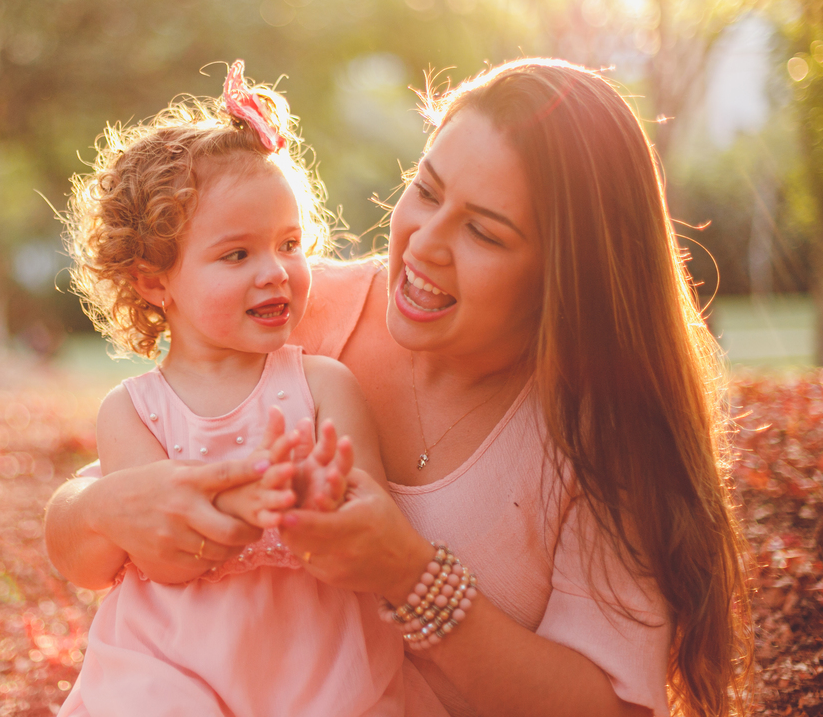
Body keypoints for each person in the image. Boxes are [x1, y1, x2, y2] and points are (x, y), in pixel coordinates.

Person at [45, 59, 752, 717]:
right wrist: (107, 506)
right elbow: (102, 508)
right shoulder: (295, 315)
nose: (423, 242)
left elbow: (612, 707)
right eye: (427, 190)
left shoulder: (601, 436)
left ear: (564, 274)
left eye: (484, 231)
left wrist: (411, 575)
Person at [54, 61, 405, 717]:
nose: (275, 272)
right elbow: (169, 557)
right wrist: (243, 502)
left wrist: (322, 502)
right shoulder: (132, 412)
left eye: (290, 244)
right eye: (237, 254)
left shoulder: (324, 385)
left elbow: (371, 519)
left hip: (314, 657)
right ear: (156, 282)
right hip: (173, 662)